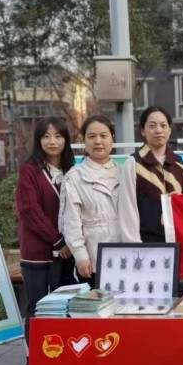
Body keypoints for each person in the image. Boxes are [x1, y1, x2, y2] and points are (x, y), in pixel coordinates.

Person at [15, 117, 76, 344]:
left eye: (58, 136)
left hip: (67, 253)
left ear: (66, 140)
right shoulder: (30, 170)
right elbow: (28, 210)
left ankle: (58, 356)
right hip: (37, 252)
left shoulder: (72, 170)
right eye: (46, 136)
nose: (52, 141)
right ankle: (34, 358)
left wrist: (70, 244)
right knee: (37, 307)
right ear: (38, 140)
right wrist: (58, 242)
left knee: (64, 307)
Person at [60, 115, 131, 284]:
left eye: (103, 136)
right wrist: (80, 256)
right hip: (94, 260)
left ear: (112, 139)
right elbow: (71, 222)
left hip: (127, 257)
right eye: (91, 136)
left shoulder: (125, 173)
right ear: (84, 140)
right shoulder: (75, 177)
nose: (98, 141)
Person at [119, 106, 183, 242]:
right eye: (152, 126)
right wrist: (135, 246)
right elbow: (127, 209)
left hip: (178, 241)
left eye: (163, 125)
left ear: (170, 130)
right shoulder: (133, 164)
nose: (158, 130)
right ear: (143, 130)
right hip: (145, 243)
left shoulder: (181, 165)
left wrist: (181, 200)